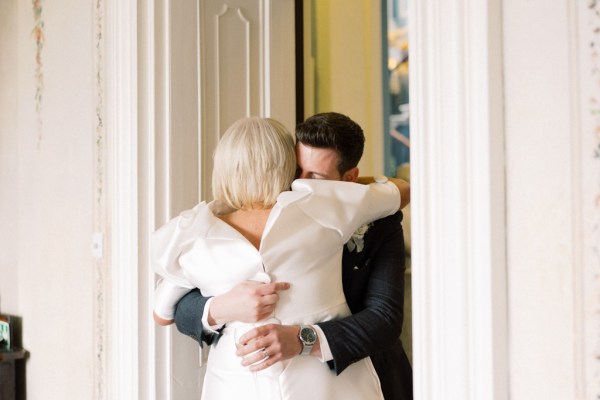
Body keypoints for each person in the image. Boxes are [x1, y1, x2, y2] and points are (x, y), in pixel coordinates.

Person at [152, 116, 406, 399]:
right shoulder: (330, 208)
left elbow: (385, 318)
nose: (301, 185)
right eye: (296, 171)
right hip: (241, 383)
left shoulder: (190, 236)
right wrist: (222, 307)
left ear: (349, 179)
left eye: (316, 177)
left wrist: (302, 339)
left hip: (342, 374)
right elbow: (181, 310)